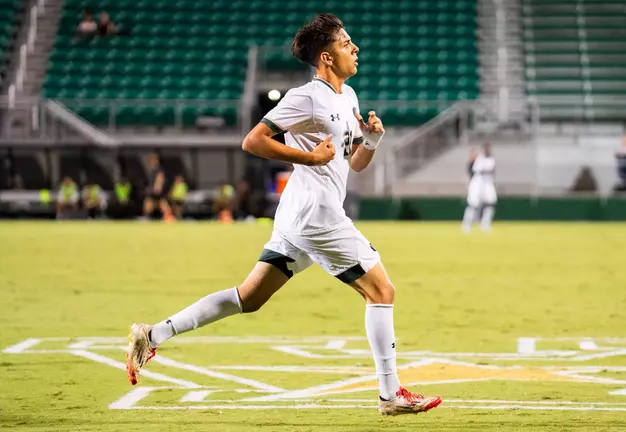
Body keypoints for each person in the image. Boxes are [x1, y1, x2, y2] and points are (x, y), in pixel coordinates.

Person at [125, 13, 441, 416]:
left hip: (299, 217)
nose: (355, 49)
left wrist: (373, 141)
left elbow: (354, 165)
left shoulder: (349, 98)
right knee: (382, 292)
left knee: (248, 298)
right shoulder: (307, 96)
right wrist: (307, 157)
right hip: (317, 216)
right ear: (326, 57)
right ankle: (390, 395)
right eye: (346, 44)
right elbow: (253, 140)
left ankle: (152, 334)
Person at [462, 143, 497, 232]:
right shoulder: (479, 159)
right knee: (473, 204)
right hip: (477, 182)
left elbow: (492, 170)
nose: (488, 150)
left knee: (490, 203)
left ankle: (485, 223)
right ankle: (466, 224)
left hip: (488, 183)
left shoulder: (491, 159)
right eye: (487, 148)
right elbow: (473, 168)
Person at [141, 153, 174, 221]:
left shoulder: (158, 170)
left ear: (156, 160)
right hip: (158, 190)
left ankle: (147, 217)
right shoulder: (154, 170)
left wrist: (156, 189)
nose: (149, 162)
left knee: (151, 201)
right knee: (161, 202)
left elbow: (160, 179)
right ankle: (169, 217)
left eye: (150, 160)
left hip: (159, 190)